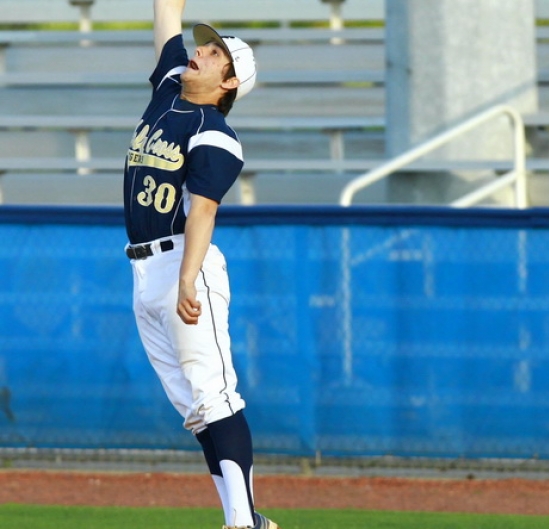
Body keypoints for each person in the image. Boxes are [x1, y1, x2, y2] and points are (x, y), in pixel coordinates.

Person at [122, 1, 277, 528]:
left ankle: (241, 523)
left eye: (214, 54)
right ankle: (249, 521)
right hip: (144, 271)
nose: (200, 52)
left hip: (185, 268)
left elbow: (203, 210)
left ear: (228, 82)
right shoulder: (168, 88)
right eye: (203, 45)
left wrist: (187, 278)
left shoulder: (218, 134)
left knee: (216, 397)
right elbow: (167, 10)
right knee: (196, 410)